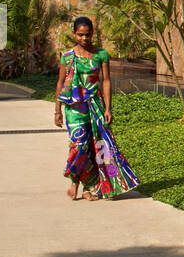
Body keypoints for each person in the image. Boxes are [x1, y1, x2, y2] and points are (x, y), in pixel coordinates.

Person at [54, 15, 140, 200]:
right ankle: (75, 181)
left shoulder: (101, 54)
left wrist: (108, 108)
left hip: (96, 106)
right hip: (74, 109)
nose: (84, 39)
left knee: (98, 147)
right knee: (79, 145)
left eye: (87, 35)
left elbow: (106, 81)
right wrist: (57, 110)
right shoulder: (67, 57)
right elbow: (61, 83)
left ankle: (88, 188)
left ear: (92, 34)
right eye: (80, 35)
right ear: (74, 34)